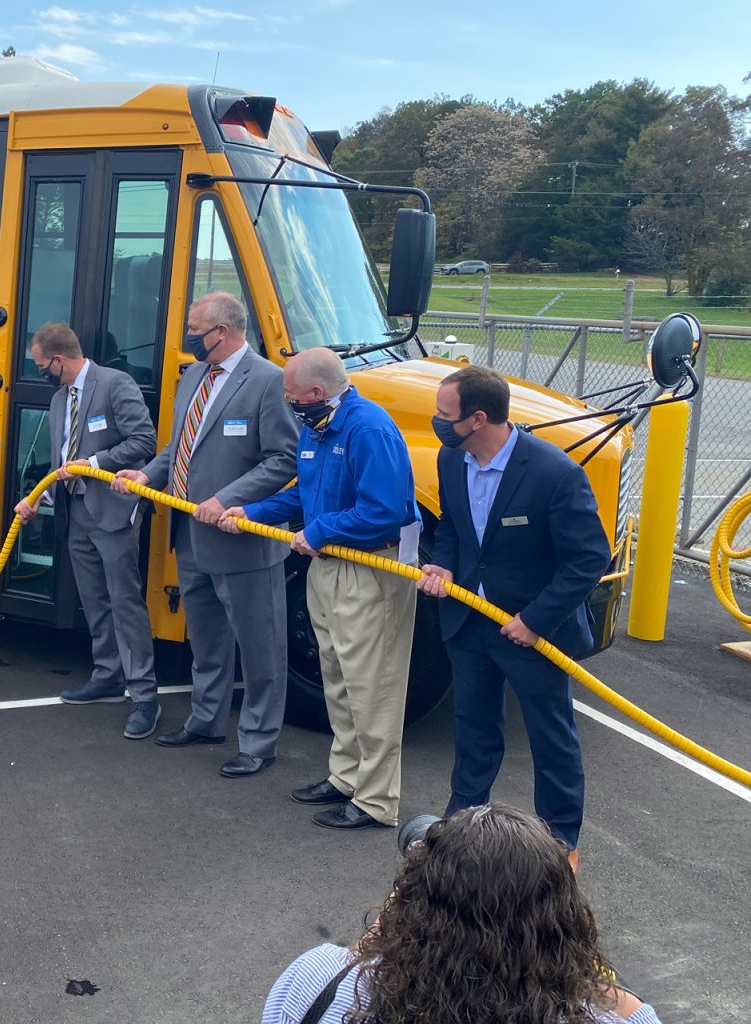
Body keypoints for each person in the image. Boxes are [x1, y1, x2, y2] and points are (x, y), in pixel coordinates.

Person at [415, 365, 611, 865]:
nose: (437, 422)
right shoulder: (451, 458)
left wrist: (535, 619)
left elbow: (588, 559)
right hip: (470, 622)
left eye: (444, 414)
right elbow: (457, 530)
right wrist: (441, 564)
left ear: (478, 419)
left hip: (531, 632)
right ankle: (461, 824)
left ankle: (560, 840)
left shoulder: (554, 473)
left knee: (552, 736)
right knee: (474, 726)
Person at [228, 348, 420, 830]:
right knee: (337, 676)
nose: (289, 403)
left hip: (367, 567)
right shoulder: (316, 427)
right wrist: (250, 513)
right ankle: (346, 776)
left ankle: (376, 800)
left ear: (316, 393)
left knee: (371, 685)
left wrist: (320, 530)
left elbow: (385, 511)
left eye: (293, 396)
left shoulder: (367, 428)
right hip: (328, 567)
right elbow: (302, 492)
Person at [113, 292, 298, 776]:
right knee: (207, 636)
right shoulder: (193, 375)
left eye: (196, 328)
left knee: (260, 646)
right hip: (190, 532)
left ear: (223, 330)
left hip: (242, 538)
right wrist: (148, 475)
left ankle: (258, 741)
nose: (189, 336)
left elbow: (283, 458)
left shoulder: (268, 381)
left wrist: (230, 498)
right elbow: (180, 445)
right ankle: (205, 719)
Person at [261, 804, 662, 1024]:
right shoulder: (620, 1019)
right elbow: (630, 1009)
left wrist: (388, 930)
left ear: (408, 903)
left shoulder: (316, 980)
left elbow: (353, 964)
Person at [14, 322, 160, 738]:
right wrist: (36, 497)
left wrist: (92, 465)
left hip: (111, 510)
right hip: (74, 509)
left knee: (124, 599)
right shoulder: (61, 399)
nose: (40, 370)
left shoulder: (116, 384)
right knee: (93, 598)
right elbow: (59, 461)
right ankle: (108, 674)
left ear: (58, 360)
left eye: (41, 364)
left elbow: (143, 440)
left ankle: (144, 694)